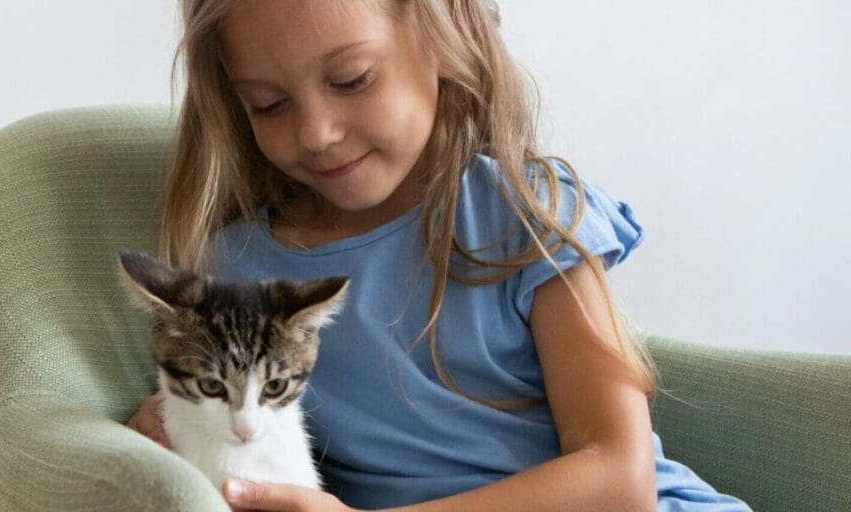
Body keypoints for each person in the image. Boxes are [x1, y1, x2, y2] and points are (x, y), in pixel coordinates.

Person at [126, 1, 753, 511]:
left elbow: (620, 482)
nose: (316, 133)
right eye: (269, 103)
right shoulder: (237, 276)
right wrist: (168, 431)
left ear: (446, 34)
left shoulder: (524, 215)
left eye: (351, 79)